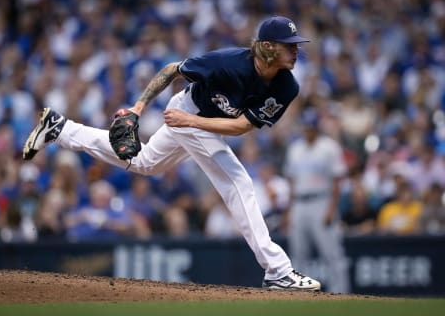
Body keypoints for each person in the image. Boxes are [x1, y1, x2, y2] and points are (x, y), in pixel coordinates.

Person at [22, 16, 320, 291]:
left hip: (195, 120)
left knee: (144, 163)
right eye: (289, 46)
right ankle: (278, 271)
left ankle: (61, 128)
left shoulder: (286, 86)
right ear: (267, 47)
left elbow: (241, 126)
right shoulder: (227, 62)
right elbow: (171, 70)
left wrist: (191, 122)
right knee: (238, 183)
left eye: (296, 46)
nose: (296, 51)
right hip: (187, 110)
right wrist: (137, 109)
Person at [284, 108, 350, 293]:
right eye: (305, 127)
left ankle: (341, 293)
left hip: (322, 201)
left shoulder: (329, 147)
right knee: (298, 254)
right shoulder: (295, 149)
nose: (308, 130)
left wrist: (331, 209)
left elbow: (338, 180)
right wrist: (289, 211)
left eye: (311, 127)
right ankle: (301, 295)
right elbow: (291, 182)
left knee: (332, 253)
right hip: (299, 203)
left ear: (316, 128)